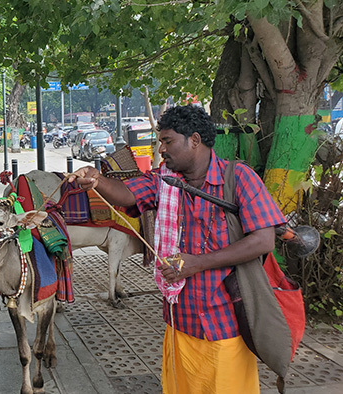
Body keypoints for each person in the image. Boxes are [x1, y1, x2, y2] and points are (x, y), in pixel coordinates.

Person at [70, 105, 285, 393]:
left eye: (168, 141)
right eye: (161, 142)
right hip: (179, 320)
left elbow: (262, 240)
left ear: (194, 140)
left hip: (225, 324)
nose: (161, 149)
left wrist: (198, 262)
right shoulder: (165, 181)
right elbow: (126, 193)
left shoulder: (240, 178)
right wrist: (97, 181)